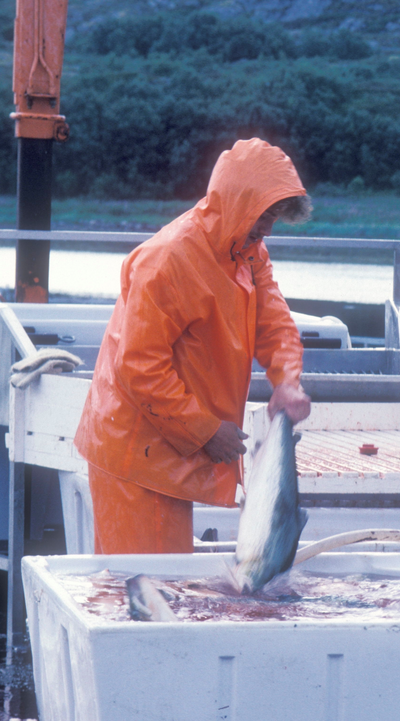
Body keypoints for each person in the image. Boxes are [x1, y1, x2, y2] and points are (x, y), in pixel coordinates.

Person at [74, 138, 313, 554]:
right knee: (143, 592)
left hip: (166, 447)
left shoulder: (249, 252)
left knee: (163, 591)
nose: (269, 228)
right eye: (266, 214)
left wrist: (287, 380)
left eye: (275, 218)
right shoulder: (166, 259)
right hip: (134, 452)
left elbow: (273, 322)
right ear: (239, 202)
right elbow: (139, 366)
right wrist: (204, 431)